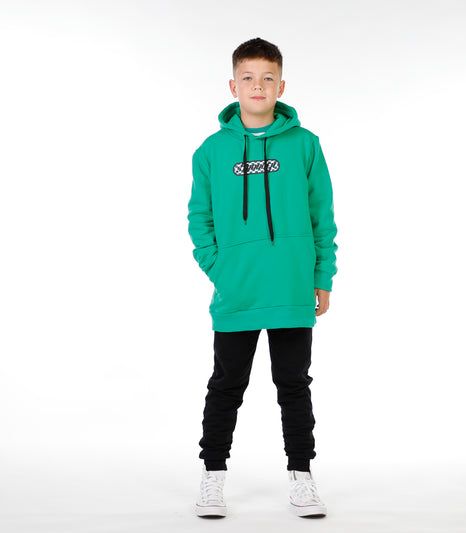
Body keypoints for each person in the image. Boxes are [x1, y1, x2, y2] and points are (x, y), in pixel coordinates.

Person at [187, 37, 338, 518]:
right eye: (248, 78)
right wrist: (221, 268)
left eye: (267, 78)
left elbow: (322, 215)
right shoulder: (211, 151)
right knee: (226, 385)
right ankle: (212, 477)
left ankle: (302, 477)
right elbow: (199, 219)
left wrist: (322, 275)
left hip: (292, 287)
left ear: (281, 86)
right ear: (233, 86)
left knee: (293, 384)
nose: (258, 86)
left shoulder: (305, 144)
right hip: (238, 291)